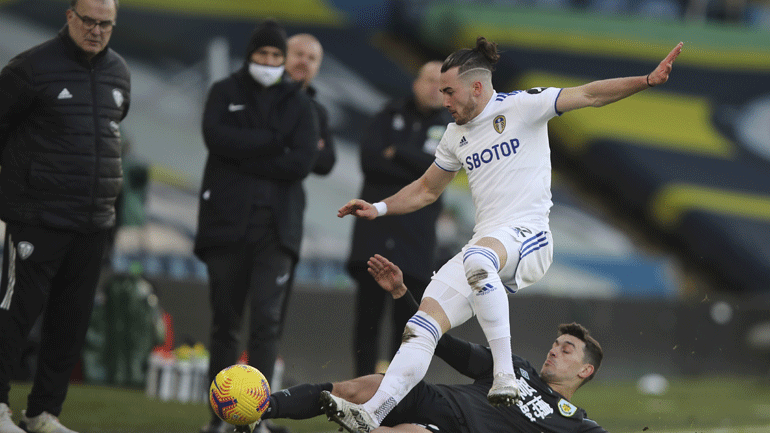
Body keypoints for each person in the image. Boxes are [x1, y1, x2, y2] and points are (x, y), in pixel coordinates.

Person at [337, 36, 683, 429]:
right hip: (487, 243)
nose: (443, 99)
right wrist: (379, 207)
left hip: (529, 237)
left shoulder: (523, 106)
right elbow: (426, 189)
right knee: (421, 325)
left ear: (476, 87)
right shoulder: (454, 135)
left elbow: (589, 94)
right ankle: (373, 414)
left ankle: (505, 375)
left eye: (449, 91)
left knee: (477, 258)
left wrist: (646, 80)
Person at [246, 254, 606, 433]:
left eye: (566, 350)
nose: (554, 350)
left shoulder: (574, 423)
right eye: (556, 343)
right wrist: (401, 293)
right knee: (356, 389)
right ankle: (259, 409)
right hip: (432, 399)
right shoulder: (513, 369)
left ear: (585, 370)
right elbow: (441, 343)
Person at [0, 1, 129, 432]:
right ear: (70, 16)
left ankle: (42, 413)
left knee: (69, 324)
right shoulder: (30, 68)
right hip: (35, 218)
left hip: (93, 222)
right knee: (14, 316)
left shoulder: (119, 73)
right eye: (89, 21)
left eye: (105, 24)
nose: (96, 30)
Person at [194, 19, 319, 433]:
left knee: (266, 322)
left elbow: (302, 162)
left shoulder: (300, 104)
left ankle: (257, 419)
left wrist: (242, 153)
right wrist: (273, 142)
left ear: (283, 60)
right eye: (262, 54)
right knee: (224, 323)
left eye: (275, 55)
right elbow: (215, 137)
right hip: (225, 226)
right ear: (249, 55)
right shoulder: (223, 91)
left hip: (276, 231)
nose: (268, 61)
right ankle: (219, 418)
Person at [347, 61, 453, 376]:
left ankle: (396, 391)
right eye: (429, 80)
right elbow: (370, 162)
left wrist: (398, 152)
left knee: (407, 324)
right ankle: (362, 386)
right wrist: (419, 169)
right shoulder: (386, 114)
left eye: (442, 84)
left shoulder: (452, 127)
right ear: (415, 82)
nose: (435, 88)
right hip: (375, 234)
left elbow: (439, 169)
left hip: (415, 240)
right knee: (367, 319)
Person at [285, 33, 336, 176]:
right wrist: (309, 143)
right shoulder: (262, 93)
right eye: (299, 54)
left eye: (311, 58)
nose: (304, 61)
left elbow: (326, 163)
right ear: (282, 56)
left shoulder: (318, 112)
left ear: (317, 68)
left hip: (289, 188)